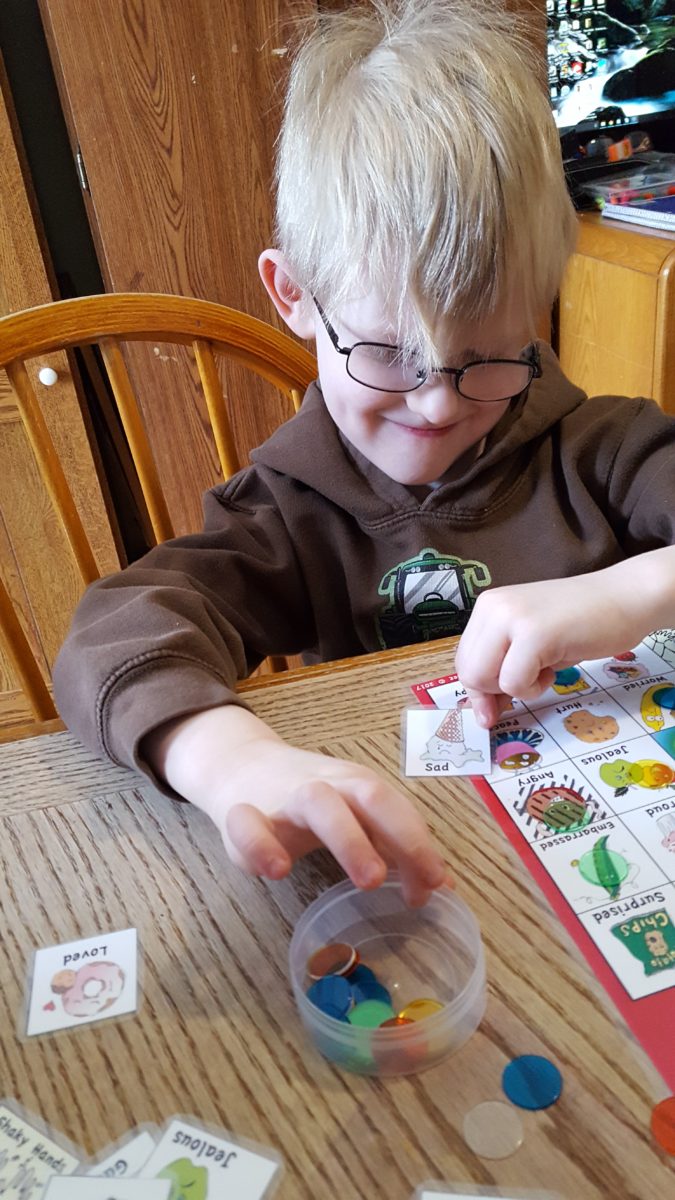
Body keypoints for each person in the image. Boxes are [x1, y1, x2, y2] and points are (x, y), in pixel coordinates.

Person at [53, 0, 675, 906]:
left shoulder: (604, 451)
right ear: (295, 295)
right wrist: (229, 760)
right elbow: (115, 632)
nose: (436, 401)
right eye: (388, 353)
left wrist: (629, 595)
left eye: (490, 358)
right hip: (414, 870)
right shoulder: (281, 510)